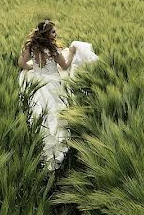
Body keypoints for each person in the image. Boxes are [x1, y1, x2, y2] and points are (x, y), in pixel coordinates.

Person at [17, 20, 97, 172]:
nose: (56, 34)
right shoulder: (52, 49)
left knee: (39, 113)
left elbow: (21, 63)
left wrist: (32, 68)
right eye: (53, 32)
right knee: (54, 113)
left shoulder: (31, 46)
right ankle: (56, 149)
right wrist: (72, 53)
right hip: (51, 82)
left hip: (37, 81)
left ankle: (40, 148)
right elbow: (65, 66)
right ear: (47, 33)